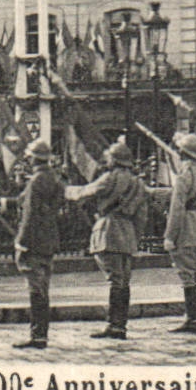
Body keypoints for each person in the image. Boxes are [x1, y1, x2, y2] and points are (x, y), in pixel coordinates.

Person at [65, 139, 147, 339]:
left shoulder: (110, 178)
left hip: (109, 230)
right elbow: (142, 215)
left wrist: (65, 189)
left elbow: (85, 192)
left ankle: (114, 325)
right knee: (124, 281)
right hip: (128, 233)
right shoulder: (138, 183)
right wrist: (136, 236)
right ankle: (120, 325)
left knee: (115, 281)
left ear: (114, 160)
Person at [12, 138, 62, 350]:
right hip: (49, 238)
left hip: (33, 240)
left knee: (36, 289)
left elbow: (29, 213)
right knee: (44, 287)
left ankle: (37, 335)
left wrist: (21, 242)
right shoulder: (55, 179)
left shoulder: (35, 181)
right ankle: (42, 334)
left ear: (34, 158)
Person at [164, 133, 196, 334]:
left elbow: (177, 207)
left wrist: (170, 235)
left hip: (186, 226)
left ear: (183, 153)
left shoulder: (184, 174)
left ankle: (192, 319)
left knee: (187, 276)